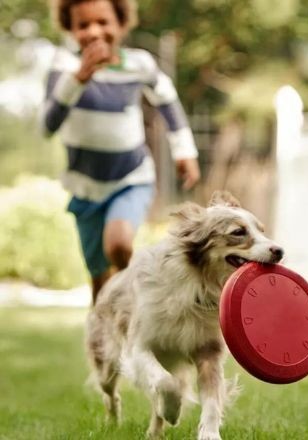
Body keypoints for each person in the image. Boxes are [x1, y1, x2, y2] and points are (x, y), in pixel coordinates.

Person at [41, 0, 201, 304]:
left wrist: (184, 151)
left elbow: (167, 101)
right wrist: (78, 79)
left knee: (118, 245)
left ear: (121, 24)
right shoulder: (63, 65)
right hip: (85, 188)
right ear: (70, 29)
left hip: (131, 176)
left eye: (103, 22)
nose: (94, 32)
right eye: (82, 25)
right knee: (99, 284)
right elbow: (48, 125)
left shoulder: (139, 64)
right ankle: (106, 332)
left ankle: (133, 300)